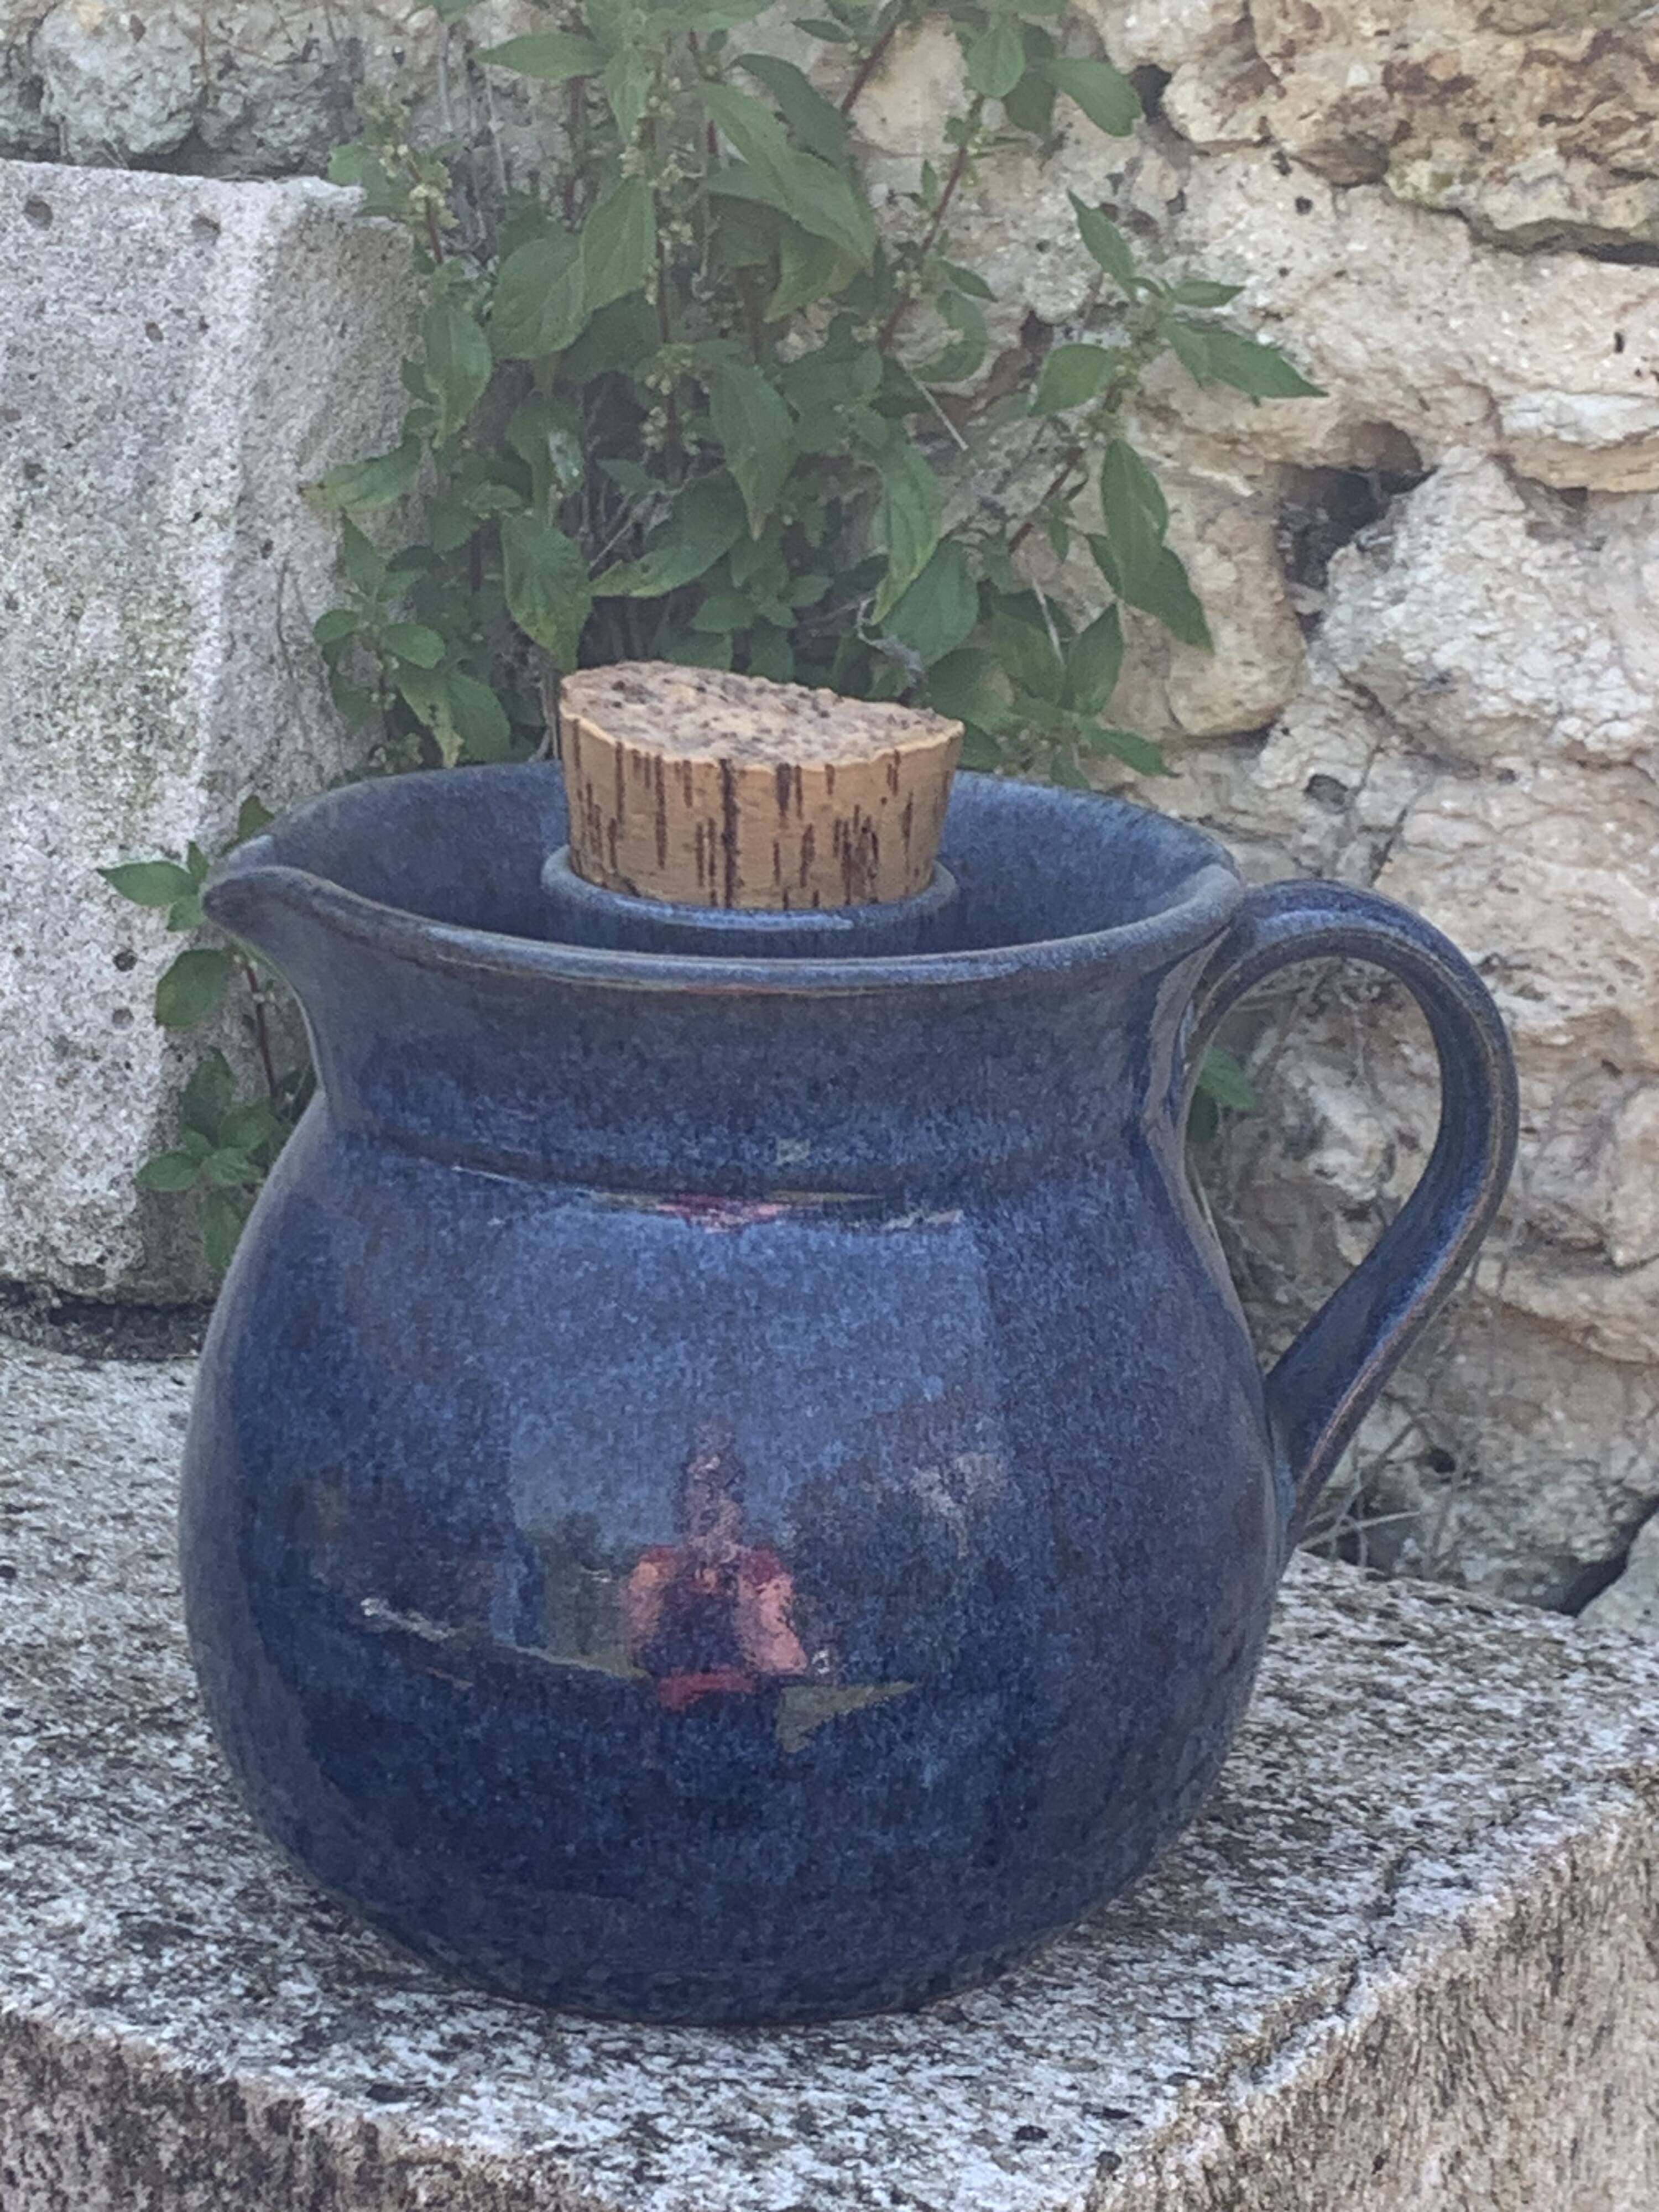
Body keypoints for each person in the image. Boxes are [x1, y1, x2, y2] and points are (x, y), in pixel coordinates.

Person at [623, 1421, 809, 1712]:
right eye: (697, 1486)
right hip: (669, 1718)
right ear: (683, 1502)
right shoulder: (660, 1565)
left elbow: (784, 1662)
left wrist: (738, 1587)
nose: (710, 1499)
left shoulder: (760, 1569)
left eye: (722, 1486)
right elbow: (640, 1648)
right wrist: (676, 1579)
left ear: (739, 1507)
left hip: (742, 1718)